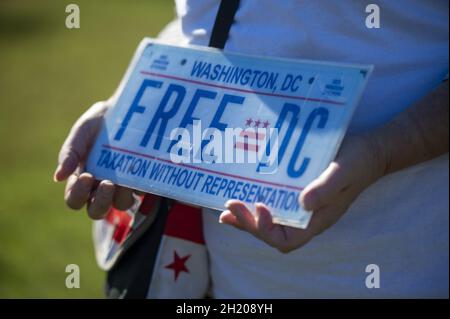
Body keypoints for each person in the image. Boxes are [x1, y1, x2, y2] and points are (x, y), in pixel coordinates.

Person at [54, 0, 449, 298]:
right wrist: (125, 108)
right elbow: (198, 22)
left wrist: (384, 152)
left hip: (395, 268)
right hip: (210, 276)